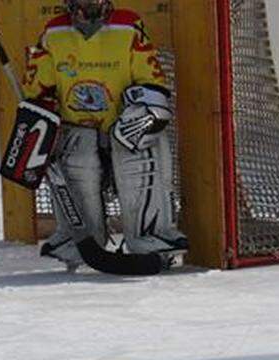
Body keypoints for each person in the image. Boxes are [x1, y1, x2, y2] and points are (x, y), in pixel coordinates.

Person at [23, 0, 188, 268]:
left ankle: (152, 236)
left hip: (122, 127)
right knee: (78, 156)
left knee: (140, 146)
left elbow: (153, 82)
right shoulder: (54, 32)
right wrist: (43, 121)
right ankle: (78, 240)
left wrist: (142, 113)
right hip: (78, 128)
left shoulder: (128, 26)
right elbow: (37, 90)